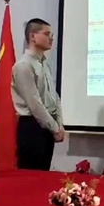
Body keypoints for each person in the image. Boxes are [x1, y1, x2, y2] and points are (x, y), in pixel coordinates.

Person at [11, 18, 65, 171]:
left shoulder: (43, 63)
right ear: (33, 36)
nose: (51, 38)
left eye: (52, 35)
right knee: (31, 177)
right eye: (47, 34)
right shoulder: (24, 66)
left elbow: (54, 96)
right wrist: (55, 128)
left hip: (47, 127)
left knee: (44, 175)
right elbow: (35, 104)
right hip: (32, 127)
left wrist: (59, 124)